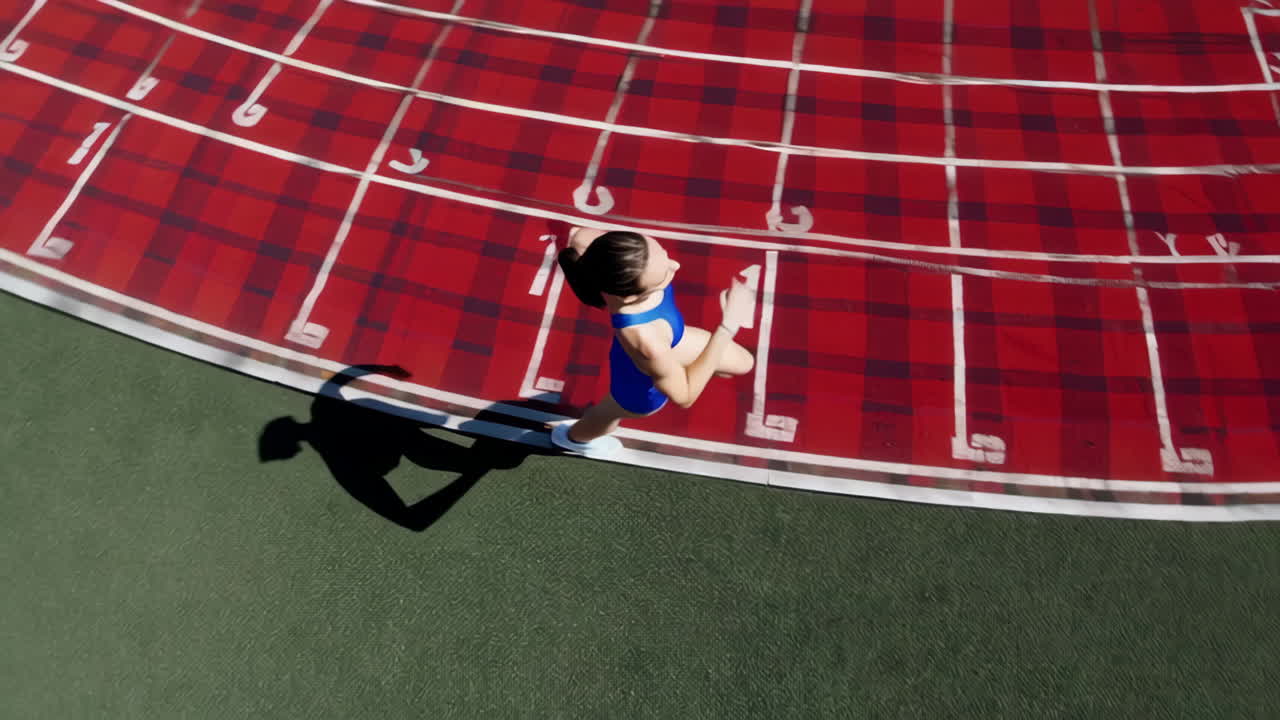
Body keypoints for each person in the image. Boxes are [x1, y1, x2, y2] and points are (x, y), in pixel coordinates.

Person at [549, 225, 757, 457]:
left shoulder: (620, 253)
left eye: (664, 254)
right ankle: (573, 438)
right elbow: (684, 397)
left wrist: (577, 236)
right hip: (638, 388)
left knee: (744, 363)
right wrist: (728, 325)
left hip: (671, 341)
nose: (674, 265)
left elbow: (581, 235)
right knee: (607, 415)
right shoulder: (645, 340)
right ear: (629, 297)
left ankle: (673, 369)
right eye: (663, 276)